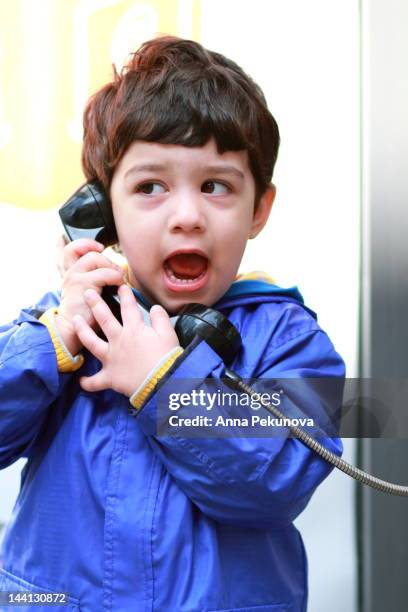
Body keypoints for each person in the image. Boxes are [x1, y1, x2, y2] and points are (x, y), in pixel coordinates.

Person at [0, 36, 344, 611]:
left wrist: (164, 386)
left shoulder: (292, 342)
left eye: (215, 186)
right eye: (149, 187)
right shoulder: (68, 324)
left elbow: (277, 481)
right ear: (102, 213)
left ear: (258, 208)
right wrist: (53, 341)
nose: (187, 217)